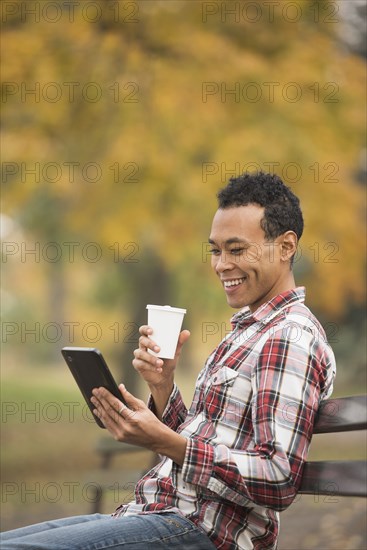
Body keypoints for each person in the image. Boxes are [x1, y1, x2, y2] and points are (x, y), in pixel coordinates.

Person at [1, 172, 336, 549]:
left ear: (287, 246)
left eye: (237, 250)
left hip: (202, 532)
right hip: (156, 516)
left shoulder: (288, 337)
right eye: (215, 250)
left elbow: (277, 478)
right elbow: (201, 438)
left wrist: (168, 443)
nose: (221, 265)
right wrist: (163, 387)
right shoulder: (249, 332)